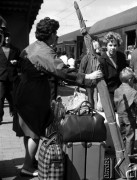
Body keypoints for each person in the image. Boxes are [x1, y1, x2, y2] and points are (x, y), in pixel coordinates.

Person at [13, 17, 103, 177]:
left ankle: (30, 160)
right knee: (34, 132)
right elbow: (63, 71)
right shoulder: (45, 51)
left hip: (23, 92)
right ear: (49, 34)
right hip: (33, 96)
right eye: (55, 32)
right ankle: (27, 166)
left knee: (28, 131)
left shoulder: (30, 47)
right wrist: (88, 77)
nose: (57, 36)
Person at [114, 67, 137, 159]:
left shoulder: (117, 90)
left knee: (122, 133)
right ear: (130, 80)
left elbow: (116, 102)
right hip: (130, 116)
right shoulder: (133, 91)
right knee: (130, 134)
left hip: (120, 115)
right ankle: (129, 155)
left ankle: (123, 151)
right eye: (133, 80)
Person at [98, 31, 127, 109]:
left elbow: (125, 70)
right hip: (108, 92)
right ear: (106, 46)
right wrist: (100, 99)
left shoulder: (121, 56)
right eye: (110, 45)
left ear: (118, 46)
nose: (112, 48)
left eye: (115, 45)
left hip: (121, 90)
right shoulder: (102, 60)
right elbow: (100, 80)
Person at [0, 31, 20, 123]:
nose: (7, 39)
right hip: (1, 77)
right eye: (6, 37)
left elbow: (21, 63)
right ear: (3, 38)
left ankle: (13, 111)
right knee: (1, 97)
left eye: (9, 37)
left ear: (11, 38)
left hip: (12, 77)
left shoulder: (15, 50)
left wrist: (17, 63)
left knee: (13, 97)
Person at [79, 38, 101, 108]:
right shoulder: (99, 57)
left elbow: (81, 70)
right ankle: (95, 111)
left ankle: (90, 111)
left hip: (88, 81)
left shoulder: (86, 57)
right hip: (97, 81)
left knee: (89, 98)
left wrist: (79, 83)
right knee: (95, 98)